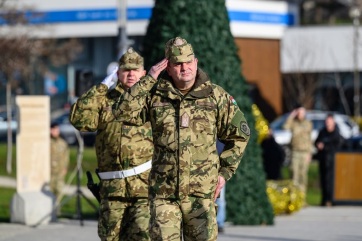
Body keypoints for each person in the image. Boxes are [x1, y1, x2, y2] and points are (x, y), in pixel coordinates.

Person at [116, 37, 250, 240]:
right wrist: (149, 79)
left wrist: (224, 172)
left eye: (188, 62)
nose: (184, 68)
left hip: (201, 196)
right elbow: (121, 113)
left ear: (196, 62)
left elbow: (240, 134)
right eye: (178, 64)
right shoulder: (154, 95)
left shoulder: (215, 97)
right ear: (168, 68)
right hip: (164, 194)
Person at [69, 47, 154, 241]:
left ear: (143, 72)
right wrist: (101, 87)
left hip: (144, 186)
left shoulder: (152, 99)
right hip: (112, 187)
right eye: (126, 69)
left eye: (135, 69)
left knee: (144, 234)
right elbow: (78, 119)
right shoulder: (104, 100)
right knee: (110, 237)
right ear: (118, 72)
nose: (131, 74)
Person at [283, 106, 313, 204]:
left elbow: (310, 140)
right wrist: (291, 116)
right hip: (295, 152)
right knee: (294, 176)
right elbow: (285, 127)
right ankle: (294, 199)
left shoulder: (308, 124)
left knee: (303, 176)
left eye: (302, 112)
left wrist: (310, 153)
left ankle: (302, 200)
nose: (300, 114)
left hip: (305, 152)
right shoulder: (293, 123)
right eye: (299, 112)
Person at [315, 114, 344, 207]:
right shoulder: (322, 132)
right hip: (323, 159)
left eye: (329, 121)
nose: (327, 124)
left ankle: (331, 200)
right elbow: (316, 141)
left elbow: (338, 146)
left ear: (333, 122)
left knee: (331, 181)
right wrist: (318, 145)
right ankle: (324, 200)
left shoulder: (337, 133)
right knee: (323, 180)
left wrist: (325, 147)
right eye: (326, 122)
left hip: (333, 161)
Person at [50, 122, 70, 202]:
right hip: (49, 172)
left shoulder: (62, 143)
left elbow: (66, 156)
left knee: (59, 191)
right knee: (49, 191)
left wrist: (65, 167)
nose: (55, 131)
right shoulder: (46, 142)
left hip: (60, 172)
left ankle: (56, 210)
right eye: (53, 129)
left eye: (56, 129)